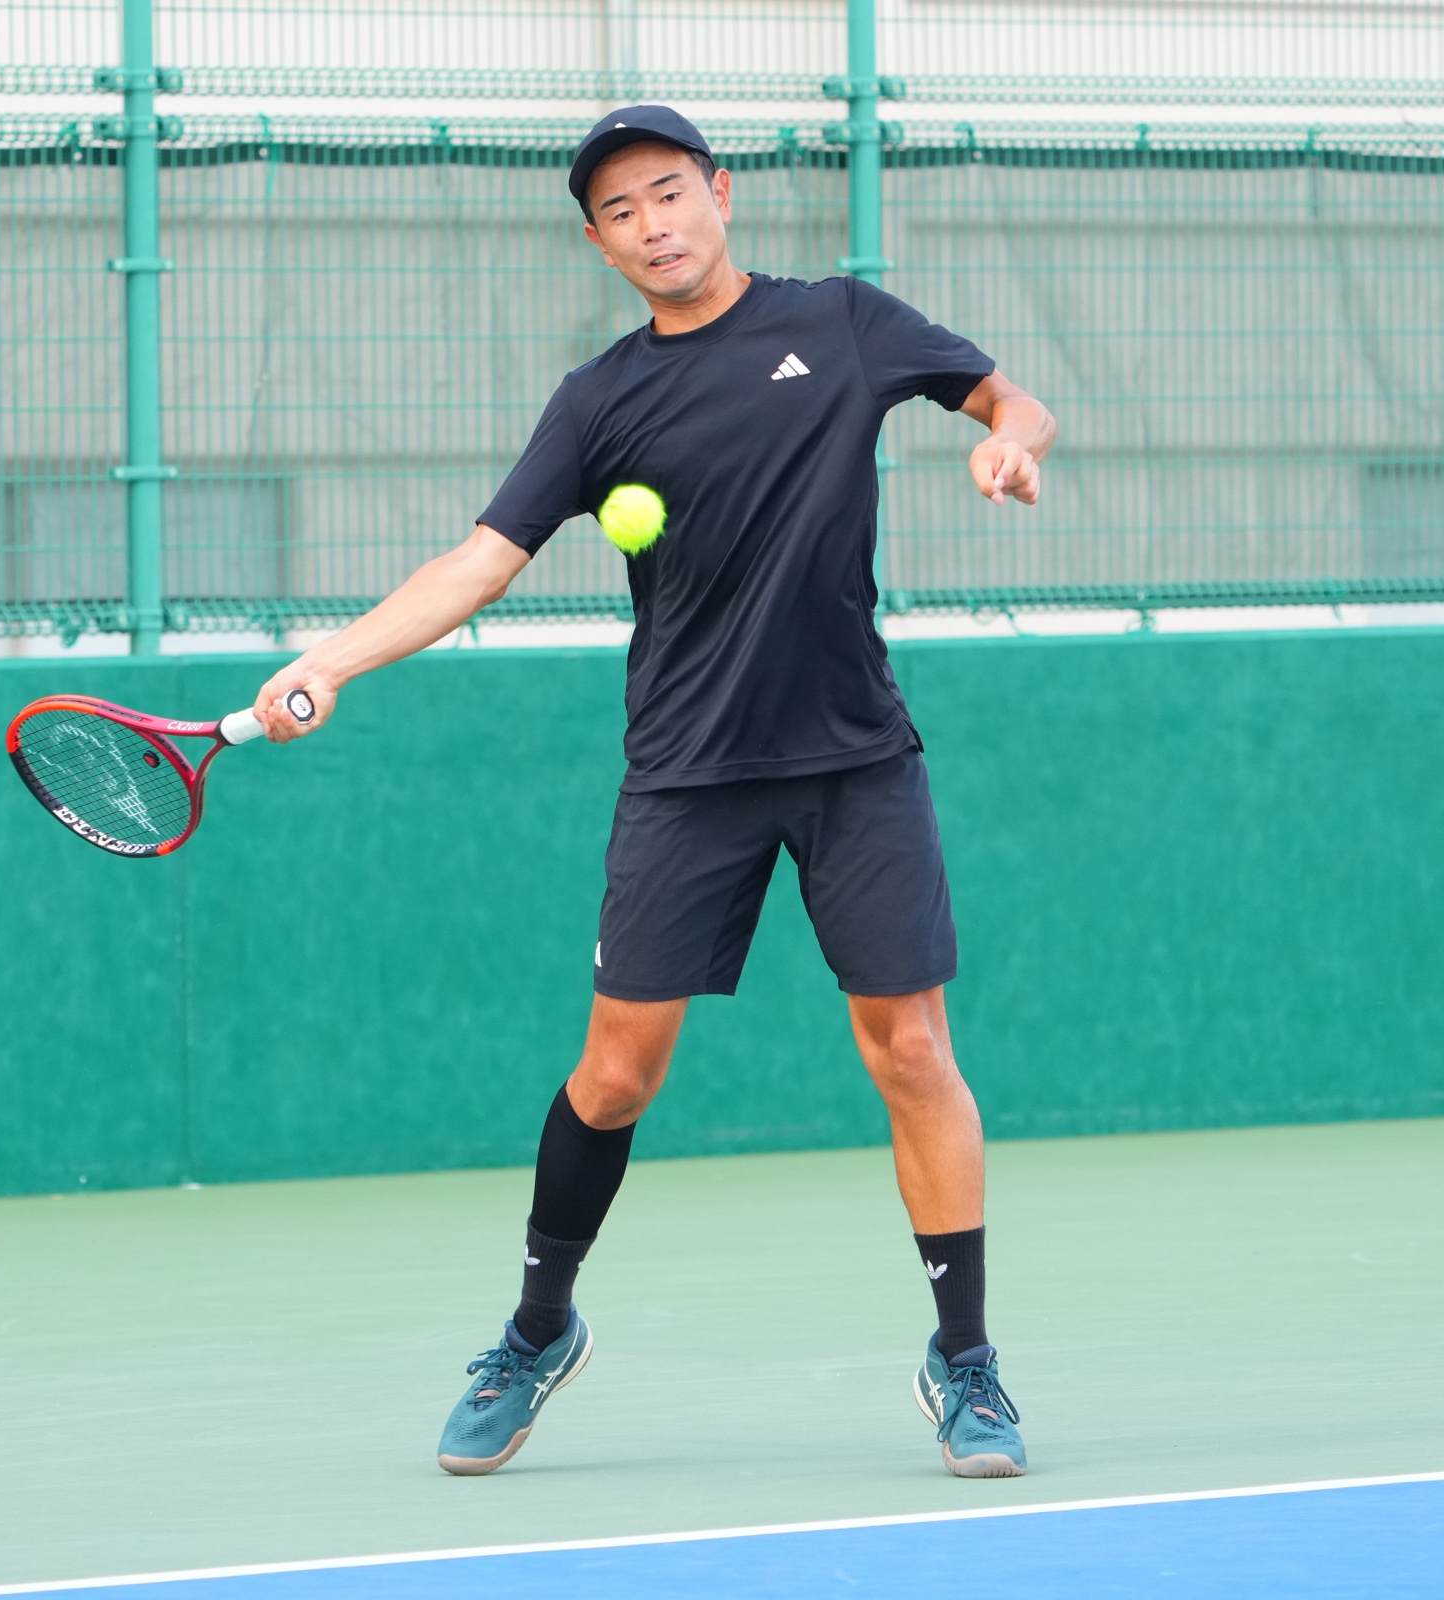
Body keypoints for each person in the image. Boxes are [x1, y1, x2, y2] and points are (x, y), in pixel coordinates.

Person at [250, 105, 1056, 1480]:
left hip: (856, 758)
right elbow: (479, 561)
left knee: (913, 1052)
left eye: (669, 193)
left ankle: (966, 1359)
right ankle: (537, 1330)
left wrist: (1009, 442)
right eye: (620, 213)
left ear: (720, 194)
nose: (652, 225)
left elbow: (1006, 396)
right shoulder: (598, 401)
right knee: (618, 1074)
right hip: (687, 775)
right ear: (599, 244)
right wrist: (330, 659)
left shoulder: (844, 321)